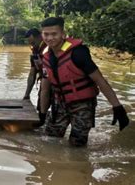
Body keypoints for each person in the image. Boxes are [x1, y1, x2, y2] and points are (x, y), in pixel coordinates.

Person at [39, 17, 130, 147]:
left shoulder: (78, 53)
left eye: (54, 34)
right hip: (59, 103)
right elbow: (45, 89)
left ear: (63, 34)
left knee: (77, 145)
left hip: (82, 104)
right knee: (49, 140)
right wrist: (42, 113)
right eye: (46, 34)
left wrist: (117, 107)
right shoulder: (47, 57)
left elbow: (100, 81)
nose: (49, 38)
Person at [23, 28, 49, 124]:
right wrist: (26, 95)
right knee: (41, 106)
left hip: (54, 83)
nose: (31, 45)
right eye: (30, 43)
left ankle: (44, 118)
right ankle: (42, 119)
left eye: (32, 42)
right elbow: (32, 74)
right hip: (45, 81)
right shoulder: (35, 51)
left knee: (50, 108)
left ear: (39, 37)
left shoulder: (49, 48)